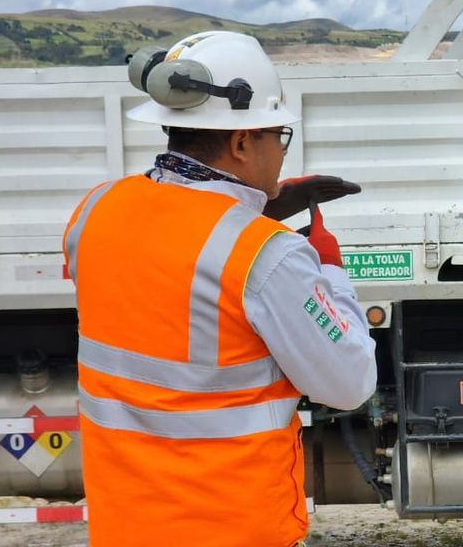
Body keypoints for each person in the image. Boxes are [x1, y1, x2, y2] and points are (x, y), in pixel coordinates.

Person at [63, 31, 379, 546]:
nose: (281, 150)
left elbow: (166, 278)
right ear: (240, 142)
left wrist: (251, 207)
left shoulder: (95, 211)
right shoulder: (266, 254)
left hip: (125, 528)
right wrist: (329, 273)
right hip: (230, 528)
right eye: (278, 136)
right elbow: (349, 382)